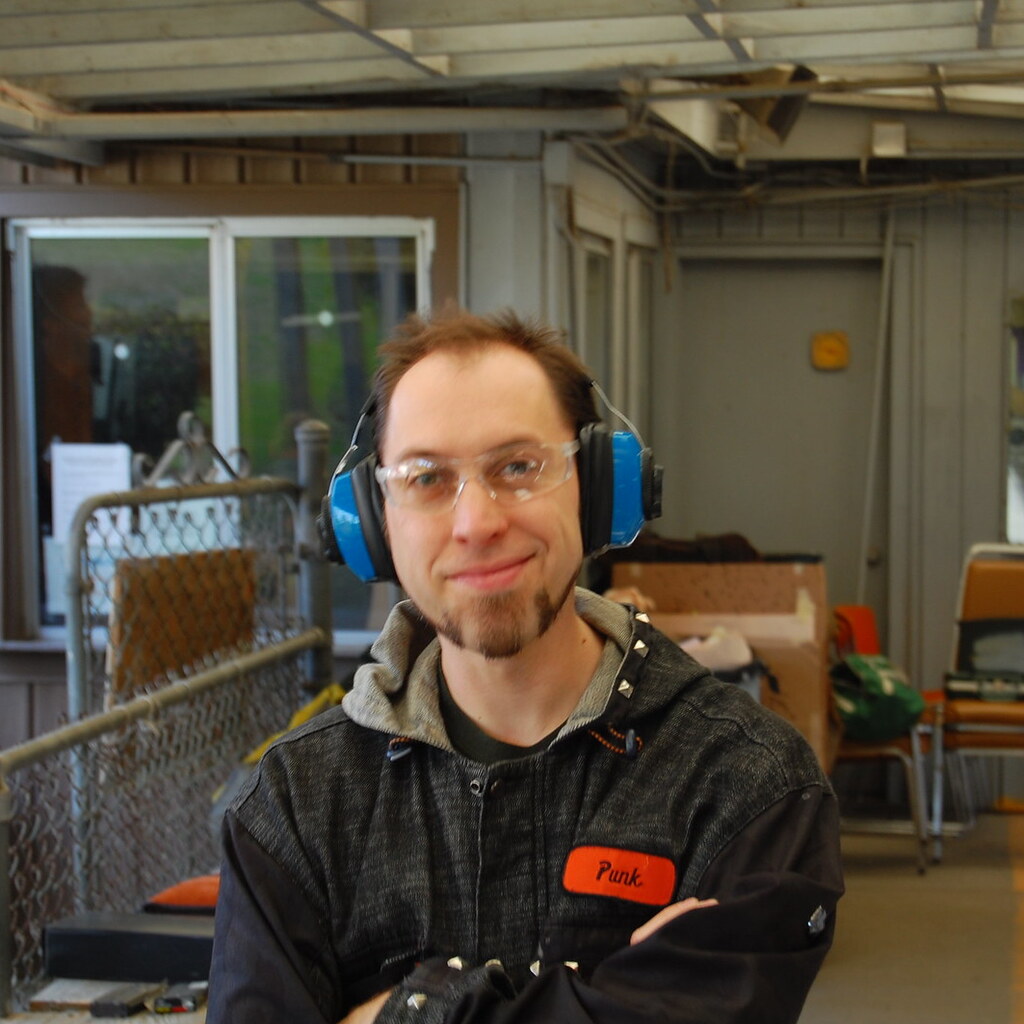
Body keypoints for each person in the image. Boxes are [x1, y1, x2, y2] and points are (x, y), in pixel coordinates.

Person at [207, 307, 843, 1024]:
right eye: (426, 477)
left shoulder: (746, 785)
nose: (476, 523)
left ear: (599, 489)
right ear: (375, 522)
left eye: (518, 467)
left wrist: (397, 1015)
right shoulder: (295, 806)